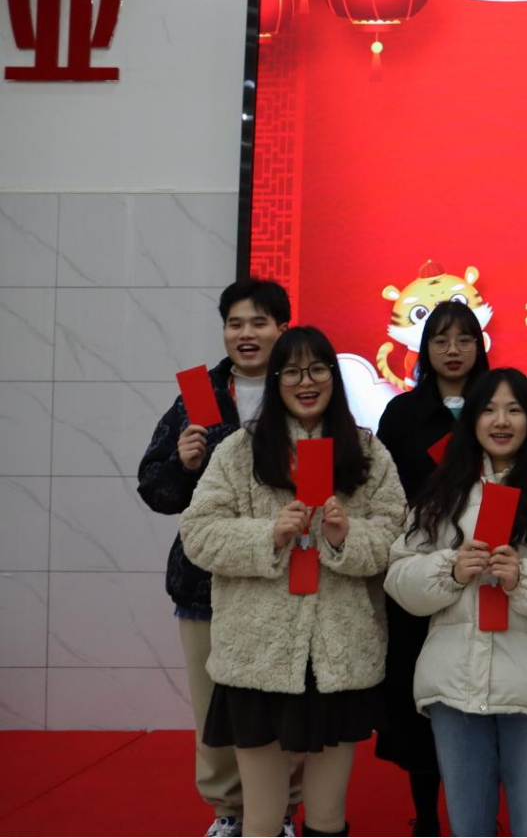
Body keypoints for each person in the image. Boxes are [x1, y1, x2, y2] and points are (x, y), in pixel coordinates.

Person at [180, 327, 407, 838]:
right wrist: (269, 534)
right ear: (275, 380)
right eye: (292, 372)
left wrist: (348, 537)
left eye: (318, 369)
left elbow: (397, 534)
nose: (307, 382)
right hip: (258, 654)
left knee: (327, 816)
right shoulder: (240, 451)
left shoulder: (368, 452)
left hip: (339, 654)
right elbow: (198, 533)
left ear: (334, 376)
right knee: (262, 817)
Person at [385, 369, 527, 837]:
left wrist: (525, 577)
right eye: (488, 410)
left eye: (514, 409)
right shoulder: (441, 493)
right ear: (471, 420)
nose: (501, 421)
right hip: (455, 686)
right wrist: (450, 569)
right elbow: (399, 576)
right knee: (469, 825)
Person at [137, 278, 304, 838]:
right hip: (204, 583)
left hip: (285, 577)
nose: (245, 333)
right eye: (235, 323)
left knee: (284, 703)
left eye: (259, 322)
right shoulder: (199, 395)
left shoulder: (304, 389)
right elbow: (155, 490)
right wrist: (181, 465)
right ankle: (228, 813)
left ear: (282, 328)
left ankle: (282, 812)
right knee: (214, 708)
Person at [374, 301, 490, 836]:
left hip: (487, 563)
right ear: (425, 349)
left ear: (479, 346)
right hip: (423, 566)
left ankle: (478, 814)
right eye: (441, 340)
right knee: (418, 694)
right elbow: (385, 489)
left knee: (480, 688)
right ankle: (426, 817)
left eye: (464, 339)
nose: (453, 350)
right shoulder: (403, 413)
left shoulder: (497, 405)